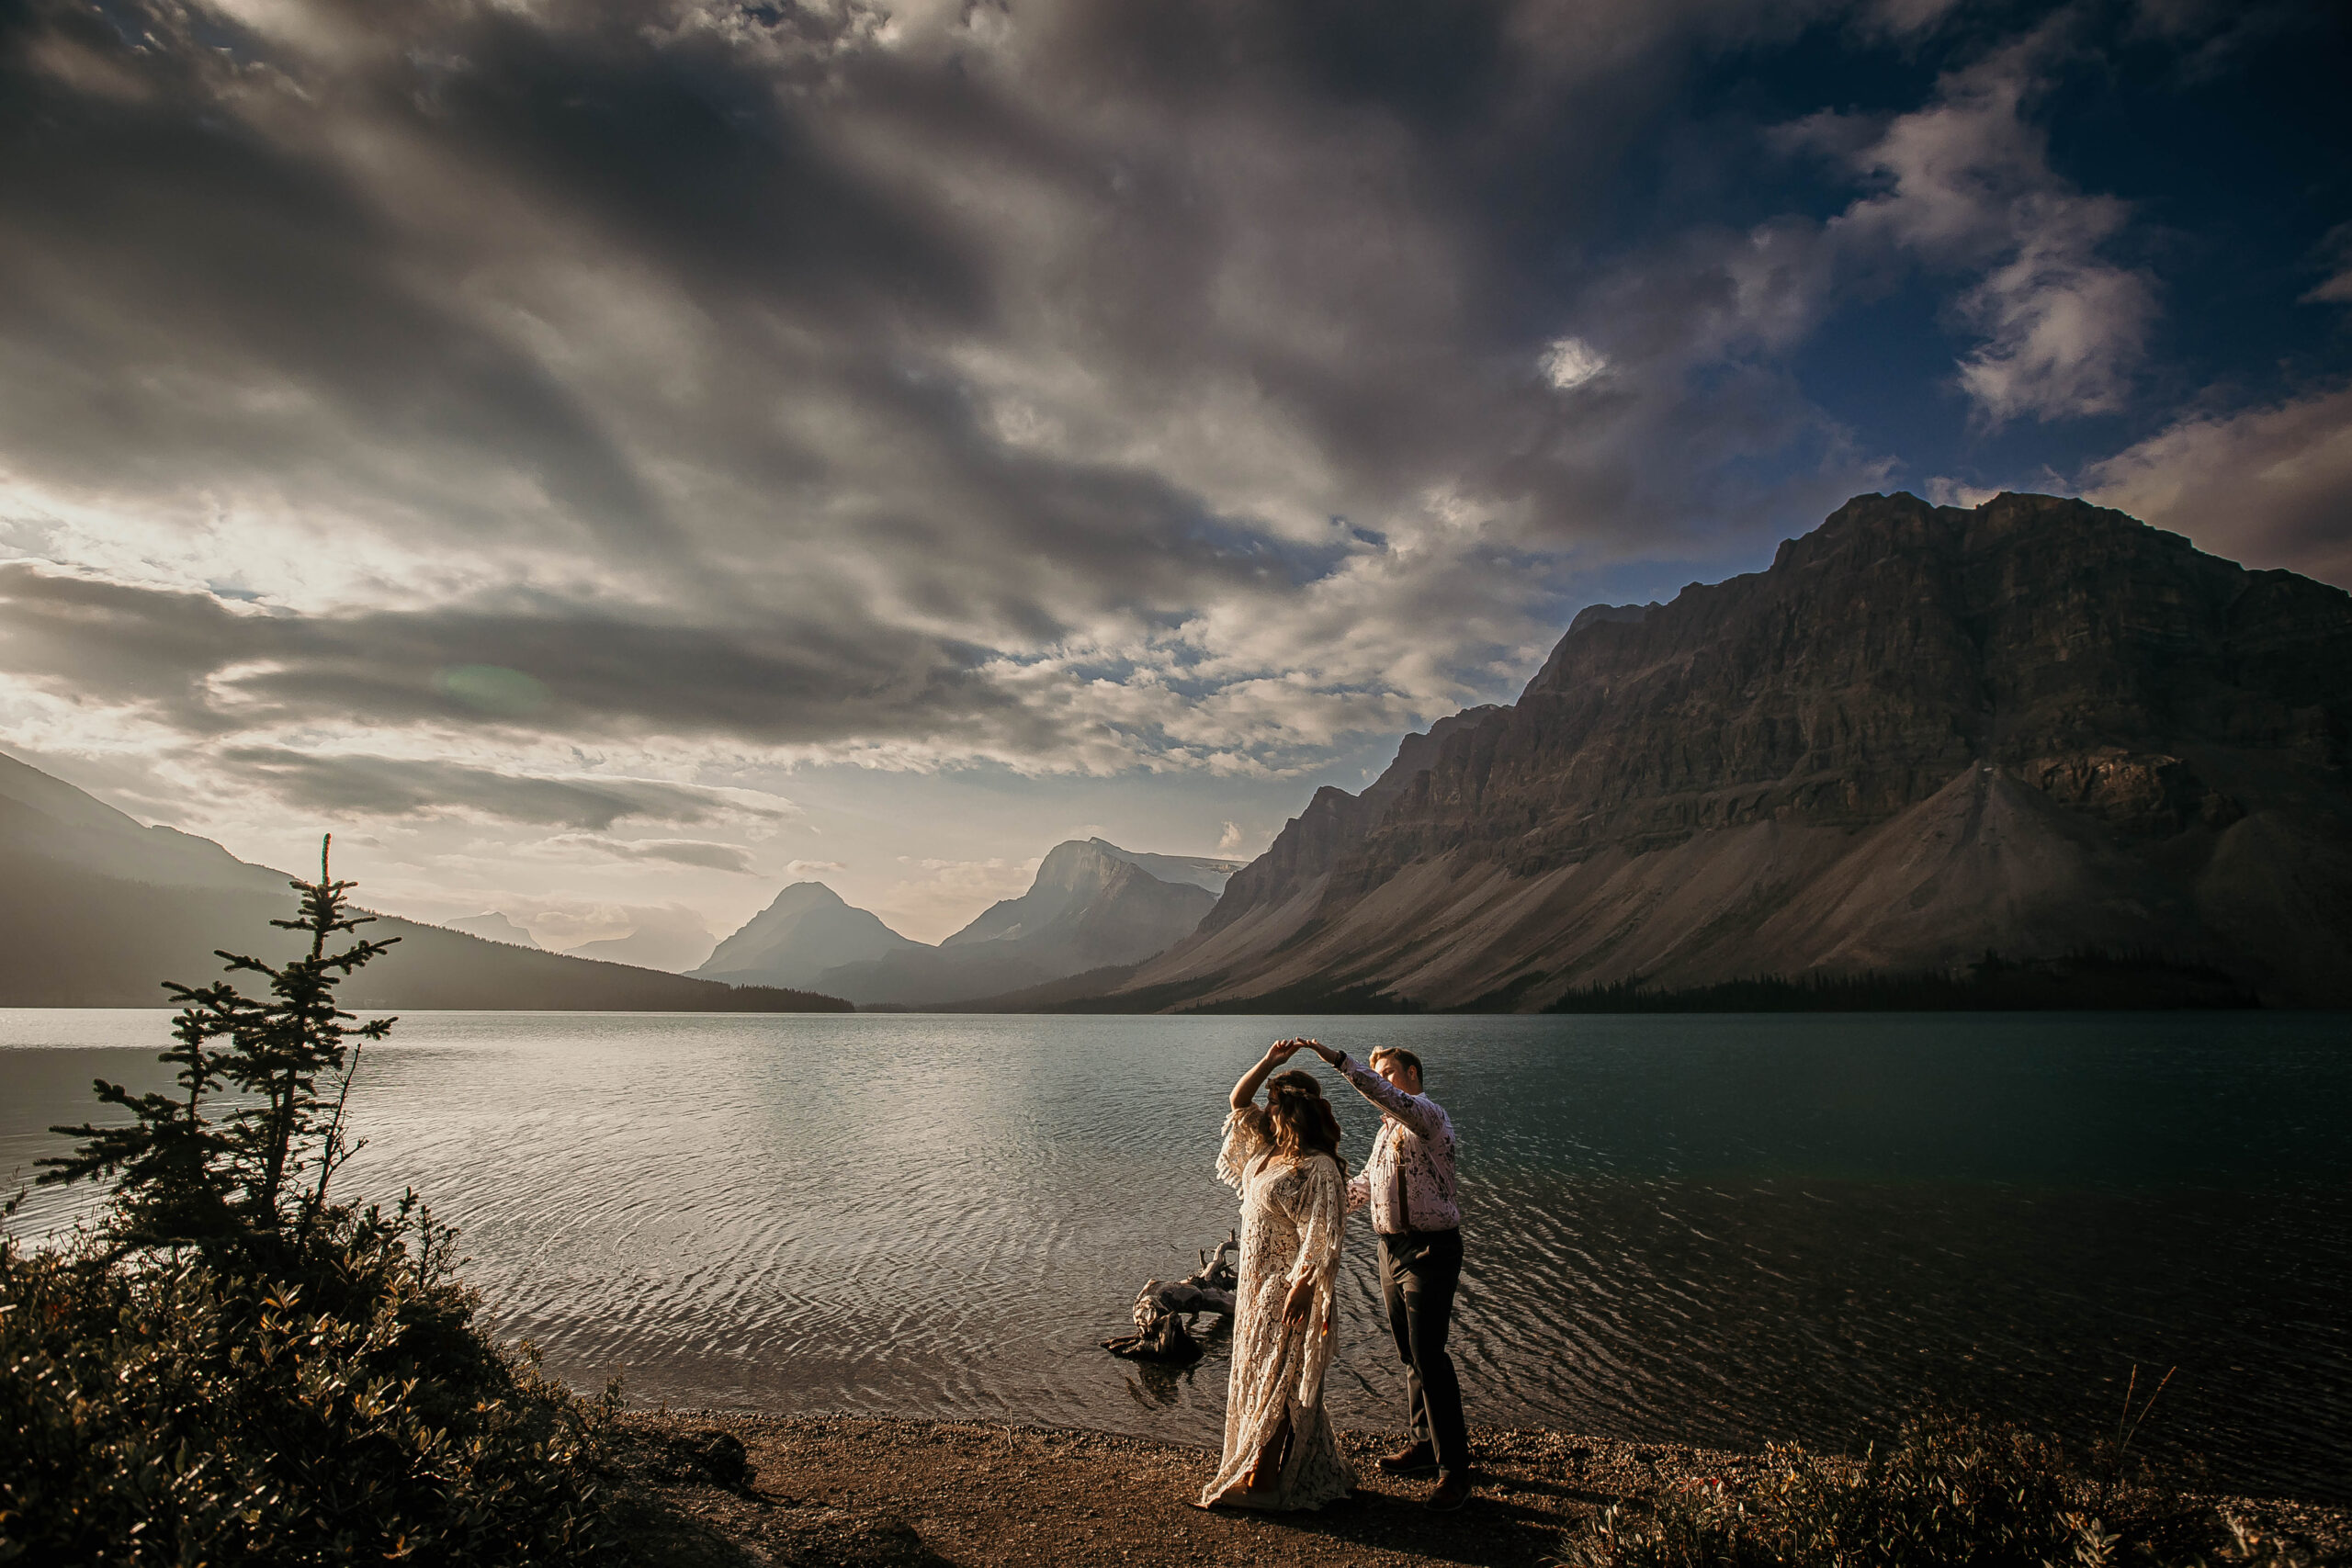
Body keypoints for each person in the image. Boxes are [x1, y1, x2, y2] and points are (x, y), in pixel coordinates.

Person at [1304, 1039, 1470, 1511]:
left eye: (1389, 1072)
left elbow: (1388, 1097)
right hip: (1390, 1248)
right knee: (1409, 1353)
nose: (1382, 1079)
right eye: (1377, 1072)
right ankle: (1423, 1444)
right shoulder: (1385, 1135)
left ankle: (1455, 1473)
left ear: (1413, 1076)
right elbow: (1366, 1188)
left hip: (1431, 1249)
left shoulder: (1427, 1117)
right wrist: (1323, 1195)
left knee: (1429, 1354)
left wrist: (1341, 1063)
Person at [1197, 1039, 1358, 1511]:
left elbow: (1323, 1234)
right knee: (1261, 1376)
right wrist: (1269, 1061)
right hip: (1252, 1285)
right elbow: (1237, 1103)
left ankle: (1264, 1484)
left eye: (1273, 1103)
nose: (1264, 1111)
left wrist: (1304, 1287)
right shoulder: (1266, 1152)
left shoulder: (1318, 1168)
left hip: (1284, 1287)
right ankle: (1278, 1470)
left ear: (1290, 1110)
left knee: (1279, 1380)